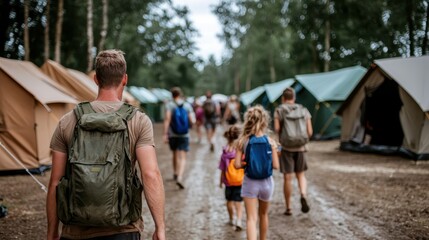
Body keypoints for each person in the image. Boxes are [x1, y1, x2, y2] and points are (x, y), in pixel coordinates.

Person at [46, 49, 165, 240]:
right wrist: (160, 227)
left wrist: (52, 232)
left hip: (75, 231)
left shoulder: (68, 120)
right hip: (123, 229)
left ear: (95, 79)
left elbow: (55, 182)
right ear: (125, 79)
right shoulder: (138, 120)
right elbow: (151, 174)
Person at [234, 105, 280, 240]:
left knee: (251, 219)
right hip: (267, 183)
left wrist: (246, 164)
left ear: (247, 121)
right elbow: (276, 166)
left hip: (250, 183)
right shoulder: (270, 141)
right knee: (263, 215)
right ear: (265, 122)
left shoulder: (243, 141)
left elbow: (237, 164)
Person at [273, 87, 313, 216]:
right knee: (301, 175)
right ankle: (303, 194)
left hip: (286, 148)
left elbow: (277, 129)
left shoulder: (279, 110)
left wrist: (278, 147)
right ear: (294, 97)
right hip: (301, 147)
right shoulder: (303, 110)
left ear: (283, 98)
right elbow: (310, 132)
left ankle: (289, 207)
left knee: (287, 178)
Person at [163, 87, 194, 189]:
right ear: (180, 94)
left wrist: (165, 134)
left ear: (172, 95)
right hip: (184, 134)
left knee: (175, 153)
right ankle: (180, 177)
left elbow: (167, 119)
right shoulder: (187, 105)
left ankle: (175, 173)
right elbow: (192, 120)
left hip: (173, 134)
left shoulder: (169, 105)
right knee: (183, 157)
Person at [218, 125, 244, 231]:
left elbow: (222, 168)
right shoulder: (240, 151)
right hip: (240, 181)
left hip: (228, 181)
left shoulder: (225, 152)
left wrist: (221, 181)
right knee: (238, 201)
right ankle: (239, 220)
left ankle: (231, 218)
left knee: (229, 201)